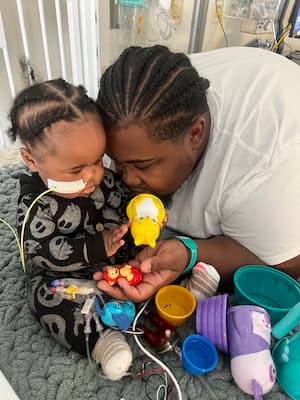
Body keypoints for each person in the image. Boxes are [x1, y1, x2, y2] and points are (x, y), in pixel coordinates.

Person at [94, 45, 300, 302]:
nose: (127, 179)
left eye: (143, 165)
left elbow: (288, 264)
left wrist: (192, 252)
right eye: (117, 162)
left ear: (195, 134)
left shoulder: (264, 165)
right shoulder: (146, 93)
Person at [7, 78, 134, 360]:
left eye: (99, 160)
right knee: (41, 296)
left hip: (117, 262)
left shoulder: (100, 180)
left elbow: (120, 199)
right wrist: (96, 247)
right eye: (77, 169)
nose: (94, 176)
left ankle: (179, 288)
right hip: (66, 273)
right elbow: (39, 251)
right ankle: (103, 343)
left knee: (149, 251)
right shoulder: (37, 204)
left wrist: (139, 216)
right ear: (31, 160)